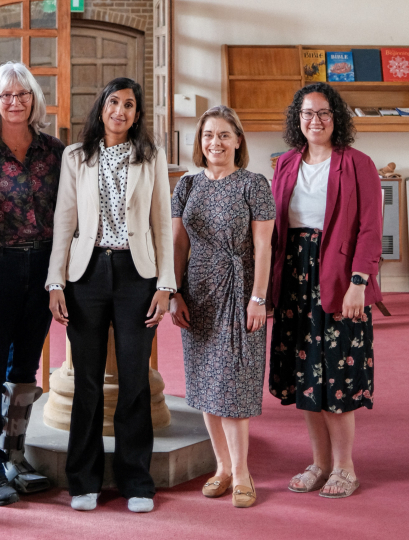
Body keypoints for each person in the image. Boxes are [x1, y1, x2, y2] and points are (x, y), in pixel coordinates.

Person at [46, 77, 175, 514]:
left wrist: (165, 285)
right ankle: (84, 480)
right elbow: (64, 220)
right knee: (87, 382)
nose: (120, 111)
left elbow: (162, 223)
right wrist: (56, 282)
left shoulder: (150, 157)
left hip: (138, 275)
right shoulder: (76, 156)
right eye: (114, 102)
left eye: (130, 105)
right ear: (101, 107)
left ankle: (136, 480)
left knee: (135, 381)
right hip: (87, 274)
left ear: (138, 115)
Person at [268, 82, 382, 499]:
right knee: (305, 377)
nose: (314, 121)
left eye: (323, 113)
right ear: (297, 119)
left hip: (338, 279)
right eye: (307, 114)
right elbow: (276, 230)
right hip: (295, 278)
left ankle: (345, 468)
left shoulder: (357, 163)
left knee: (337, 375)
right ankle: (319, 463)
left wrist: (359, 283)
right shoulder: (284, 164)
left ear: (337, 119)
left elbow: (370, 229)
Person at [0, 62, 64, 506]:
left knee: (24, 369)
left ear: (34, 100)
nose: (15, 102)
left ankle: (15, 457)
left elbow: (68, 217)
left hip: (42, 269)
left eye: (23, 94)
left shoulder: (55, 151)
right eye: (6, 95)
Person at [169, 106, 275, 508]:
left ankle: (244, 473)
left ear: (238, 140)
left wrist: (259, 297)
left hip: (240, 290)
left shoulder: (254, 184)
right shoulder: (186, 185)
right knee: (205, 385)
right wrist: (175, 291)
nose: (215, 142)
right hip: (198, 292)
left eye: (224, 135)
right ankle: (222, 468)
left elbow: (264, 246)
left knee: (232, 384)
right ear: (200, 141)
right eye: (208, 135)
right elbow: (179, 245)